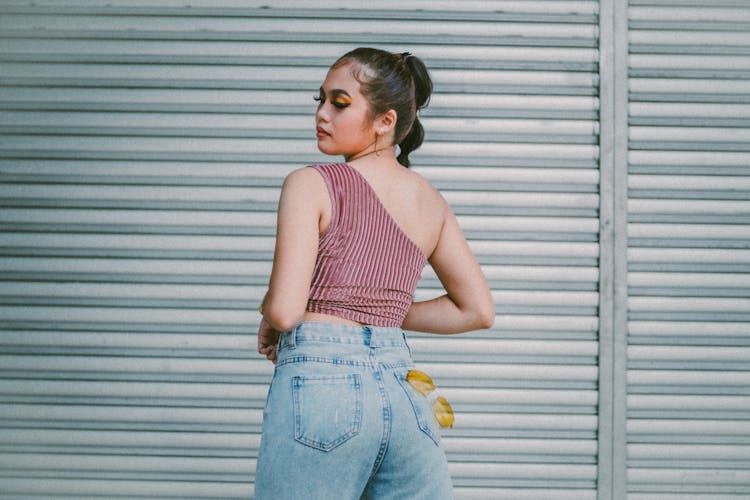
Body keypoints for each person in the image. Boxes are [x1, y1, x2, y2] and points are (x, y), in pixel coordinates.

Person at [254, 47, 494, 499]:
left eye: (340, 103)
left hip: (323, 388)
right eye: (320, 100)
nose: (323, 114)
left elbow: (286, 312)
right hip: (405, 393)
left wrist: (272, 312)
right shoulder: (430, 201)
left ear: (386, 121)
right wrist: (378, 313)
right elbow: (476, 310)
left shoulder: (311, 183)